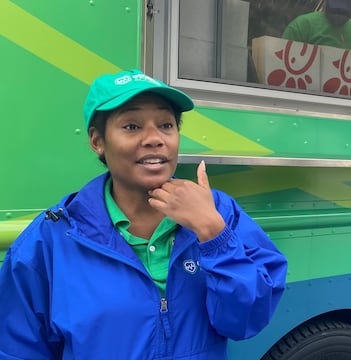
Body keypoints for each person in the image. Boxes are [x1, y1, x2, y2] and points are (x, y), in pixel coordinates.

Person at [0, 69, 288, 359]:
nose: (154, 139)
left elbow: (245, 322)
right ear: (97, 141)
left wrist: (214, 235)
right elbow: (17, 350)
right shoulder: (53, 238)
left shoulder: (219, 212)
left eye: (166, 125)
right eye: (131, 126)